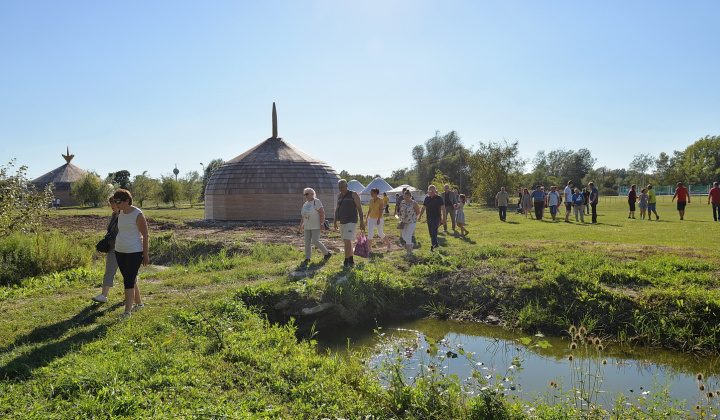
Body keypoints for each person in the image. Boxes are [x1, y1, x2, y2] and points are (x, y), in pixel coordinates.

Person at [92, 196, 139, 304]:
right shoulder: (114, 215)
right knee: (109, 271)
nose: (112, 206)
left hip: (125, 248)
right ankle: (103, 295)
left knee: (129, 275)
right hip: (113, 248)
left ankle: (134, 298)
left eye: (114, 203)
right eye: (111, 204)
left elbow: (128, 231)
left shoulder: (126, 215)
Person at [112, 189, 148, 319]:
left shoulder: (138, 215)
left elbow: (145, 235)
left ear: (127, 201)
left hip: (134, 251)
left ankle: (127, 313)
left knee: (128, 281)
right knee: (130, 278)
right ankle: (139, 303)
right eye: (115, 202)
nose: (116, 204)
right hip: (119, 250)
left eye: (118, 202)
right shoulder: (120, 211)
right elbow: (111, 203)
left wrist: (146, 255)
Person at [333, 179, 365, 268]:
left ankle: (346, 261)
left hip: (352, 220)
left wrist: (362, 222)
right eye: (339, 187)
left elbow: (359, 208)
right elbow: (337, 209)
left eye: (342, 187)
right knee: (347, 241)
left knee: (347, 240)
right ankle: (351, 260)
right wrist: (335, 221)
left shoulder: (353, 194)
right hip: (342, 221)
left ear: (347, 186)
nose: (340, 189)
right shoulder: (339, 195)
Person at [299, 188, 332, 265]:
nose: (305, 196)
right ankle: (307, 258)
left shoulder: (316, 201)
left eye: (307, 194)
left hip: (316, 225)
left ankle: (327, 253)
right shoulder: (305, 204)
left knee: (315, 241)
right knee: (307, 242)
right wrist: (301, 227)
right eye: (305, 194)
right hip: (307, 226)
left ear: (312, 194)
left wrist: (322, 223)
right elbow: (303, 216)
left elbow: (322, 212)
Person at [417, 185, 446, 251]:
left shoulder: (439, 198)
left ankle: (433, 246)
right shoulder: (427, 198)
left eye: (432, 191)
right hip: (429, 217)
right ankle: (437, 244)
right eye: (430, 191)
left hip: (436, 217)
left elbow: (443, 209)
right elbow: (423, 208)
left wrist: (444, 218)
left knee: (434, 232)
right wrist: (420, 216)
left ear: (435, 191)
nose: (431, 192)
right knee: (431, 233)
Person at [366, 188, 392, 252]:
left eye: (372, 193)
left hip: (379, 218)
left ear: (376, 193)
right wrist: (367, 218)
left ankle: (388, 244)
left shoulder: (380, 200)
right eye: (371, 193)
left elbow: (381, 211)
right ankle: (369, 249)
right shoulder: (371, 200)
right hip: (372, 218)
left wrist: (379, 219)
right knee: (370, 233)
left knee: (380, 233)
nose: (371, 194)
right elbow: (370, 210)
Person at [398, 190, 420, 256]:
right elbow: (400, 211)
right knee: (404, 236)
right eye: (404, 197)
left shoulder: (414, 203)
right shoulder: (402, 202)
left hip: (411, 222)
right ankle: (410, 244)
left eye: (407, 197)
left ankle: (408, 252)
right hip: (404, 222)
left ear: (410, 196)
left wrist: (412, 216)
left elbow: (418, 211)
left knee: (408, 236)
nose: (405, 198)